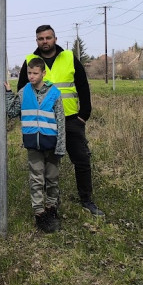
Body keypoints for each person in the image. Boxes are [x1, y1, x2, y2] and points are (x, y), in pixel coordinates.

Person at [17, 24, 104, 216]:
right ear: (37, 41)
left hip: (71, 119)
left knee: (81, 159)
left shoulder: (69, 57)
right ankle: (51, 204)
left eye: (48, 38)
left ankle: (86, 200)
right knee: (48, 165)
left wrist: (84, 114)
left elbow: (83, 85)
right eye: (41, 39)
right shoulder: (31, 61)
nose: (45, 41)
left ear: (55, 39)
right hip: (44, 122)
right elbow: (22, 92)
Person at [5, 59, 66, 232]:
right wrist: (9, 93)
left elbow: (61, 122)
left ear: (43, 74)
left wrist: (60, 146)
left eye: (35, 73)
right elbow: (12, 112)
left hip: (52, 143)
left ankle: (52, 208)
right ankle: (40, 214)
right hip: (33, 144)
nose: (31, 76)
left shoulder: (55, 93)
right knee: (36, 179)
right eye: (29, 73)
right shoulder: (24, 92)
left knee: (52, 178)